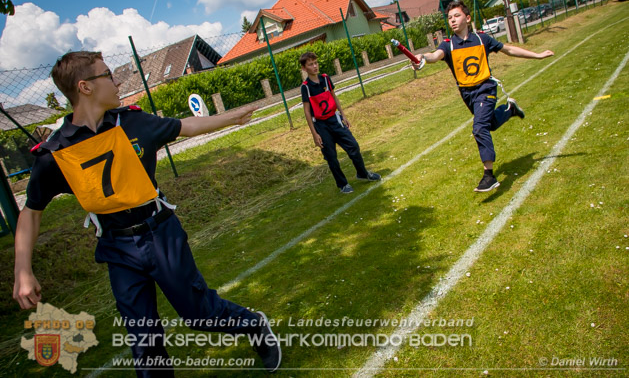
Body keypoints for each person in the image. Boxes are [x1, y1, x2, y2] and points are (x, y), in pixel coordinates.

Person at [12, 51, 281, 376]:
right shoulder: (55, 153)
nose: (117, 81)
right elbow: (31, 212)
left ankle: (254, 326)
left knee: (200, 314)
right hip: (117, 248)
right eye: (108, 75)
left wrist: (232, 117)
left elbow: (186, 126)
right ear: (84, 87)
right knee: (144, 340)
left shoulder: (134, 121)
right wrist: (22, 271)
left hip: (161, 234)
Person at [410, 1, 554, 192]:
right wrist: (423, 58)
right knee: (490, 124)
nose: (452, 20)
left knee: (479, 128)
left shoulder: (482, 39)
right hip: (467, 93)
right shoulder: (448, 44)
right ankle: (510, 110)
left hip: (485, 89)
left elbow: (509, 50)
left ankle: (489, 176)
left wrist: (537, 55)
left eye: (457, 16)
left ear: (467, 18)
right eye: (450, 18)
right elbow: (435, 55)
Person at [300, 51, 381, 193]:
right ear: (304, 68)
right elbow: (307, 111)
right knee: (331, 157)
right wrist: (314, 134)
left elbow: (334, 97)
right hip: (321, 125)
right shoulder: (305, 87)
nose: (315, 66)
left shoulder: (325, 79)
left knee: (353, 145)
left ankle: (362, 173)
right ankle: (342, 184)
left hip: (334, 119)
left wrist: (343, 115)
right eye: (311, 64)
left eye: (315, 63)